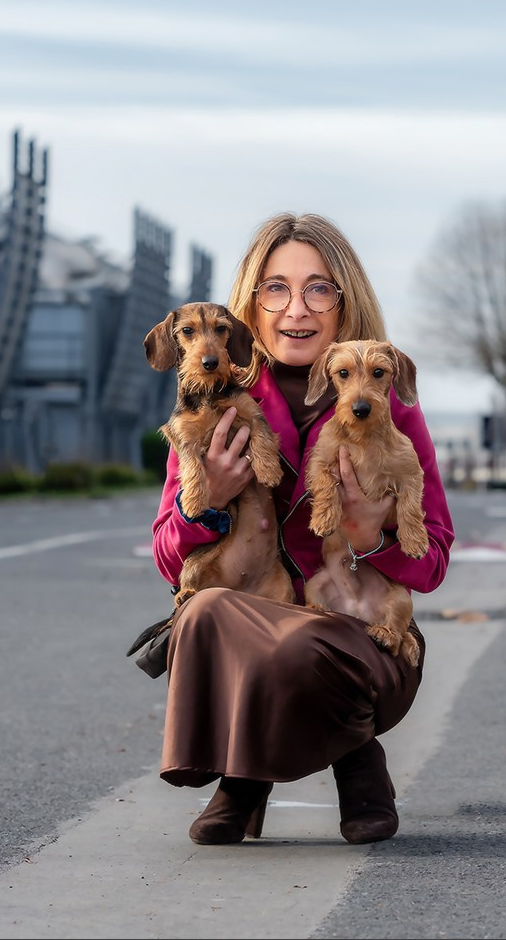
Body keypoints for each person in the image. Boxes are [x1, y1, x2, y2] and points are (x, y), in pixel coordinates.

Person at [151, 212, 454, 845]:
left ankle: (349, 763)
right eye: (276, 288)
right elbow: (165, 552)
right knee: (202, 612)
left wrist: (373, 535)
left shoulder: (389, 405)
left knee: (297, 643)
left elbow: (434, 560)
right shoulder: (215, 402)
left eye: (318, 288)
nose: (297, 309)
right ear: (250, 306)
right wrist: (209, 505)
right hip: (254, 620)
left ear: (345, 303)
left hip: (359, 641)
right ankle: (242, 774)